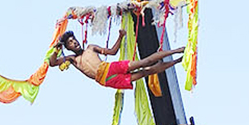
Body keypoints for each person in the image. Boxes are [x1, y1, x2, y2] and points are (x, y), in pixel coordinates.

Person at [48, 30, 184, 91]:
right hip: (105, 80)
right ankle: (177, 61)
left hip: (110, 68)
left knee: (145, 62)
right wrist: (56, 50)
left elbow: (112, 52)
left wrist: (120, 36)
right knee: (145, 73)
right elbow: (52, 63)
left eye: (74, 40)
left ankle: (177, 50)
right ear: (68, 47)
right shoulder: (72, 59)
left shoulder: (91, 47)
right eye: (70, 43)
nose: (74, 43)